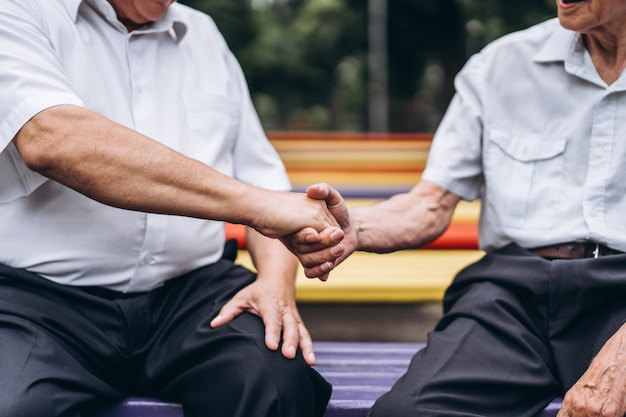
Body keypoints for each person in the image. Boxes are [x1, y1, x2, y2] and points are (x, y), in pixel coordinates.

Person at [0, 1, 345, 416]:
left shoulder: (203, 33)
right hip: (36, 301)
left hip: (191, 294)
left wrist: (275, 282)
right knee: (13, 405)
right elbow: (52, 138)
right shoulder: (18, 12)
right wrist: (257, 206)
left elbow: (264, 178)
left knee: (275, 382)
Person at [295, 0, 626, 416]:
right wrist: (354, 227)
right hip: (514, 293)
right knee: (408, 412)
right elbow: (431, 203)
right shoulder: (500, 64)